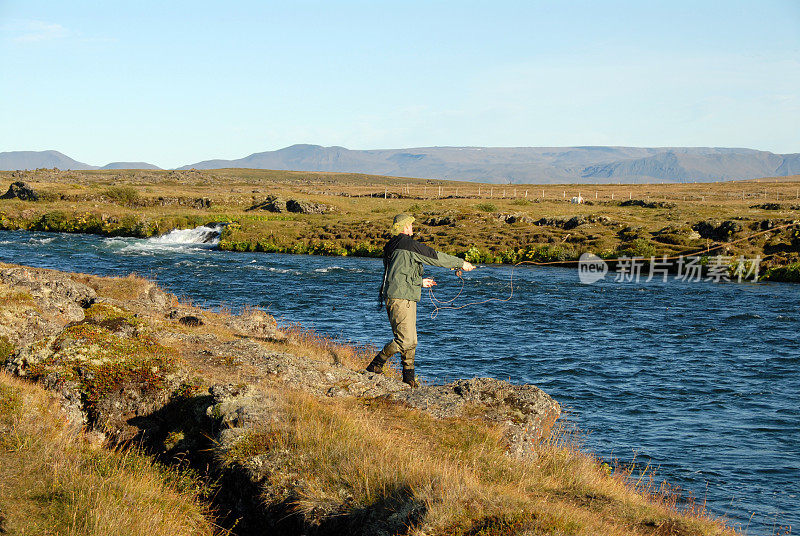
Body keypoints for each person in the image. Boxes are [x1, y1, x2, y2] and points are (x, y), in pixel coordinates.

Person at [366, 213, 475, 387]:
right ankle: (375, 365)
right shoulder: (409, 244)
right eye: (410, 224)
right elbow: (434, 256)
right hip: (401, 298)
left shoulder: (391, 245)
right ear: (405, 227)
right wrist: (461, 263)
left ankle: (409, 379)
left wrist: (419, 282)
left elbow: (397, 274)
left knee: (411, 340)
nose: (412, 227)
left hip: (398, 295)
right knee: (406, 340)